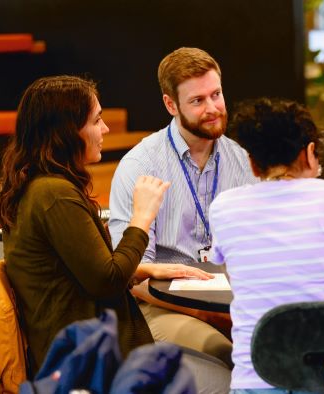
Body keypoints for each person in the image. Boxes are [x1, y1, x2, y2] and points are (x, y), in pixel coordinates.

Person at [0, 75, 211, 374]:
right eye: (97, 121)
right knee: (223, 379)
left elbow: (78, 272)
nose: (105, 129)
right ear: (67, 132)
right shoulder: (53, 195)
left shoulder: (38, 187)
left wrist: (141, 269)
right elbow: (105, 281)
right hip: (91, 362)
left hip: (83, 349)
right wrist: (142, 218)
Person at [209, 98, 324, 393]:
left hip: (257, 385)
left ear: (253, 163)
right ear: (310, 153)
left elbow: (246, 285)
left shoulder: (223, 208)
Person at [108, 47, 257, 367]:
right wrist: (204, 313)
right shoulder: (141, 166)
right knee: (230, 355)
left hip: (233, 304)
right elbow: (131, 278)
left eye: (216, 94)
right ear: (170, 104)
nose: (213, 108)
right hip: (161, 307)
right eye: (197, 101)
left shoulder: (241, 161)